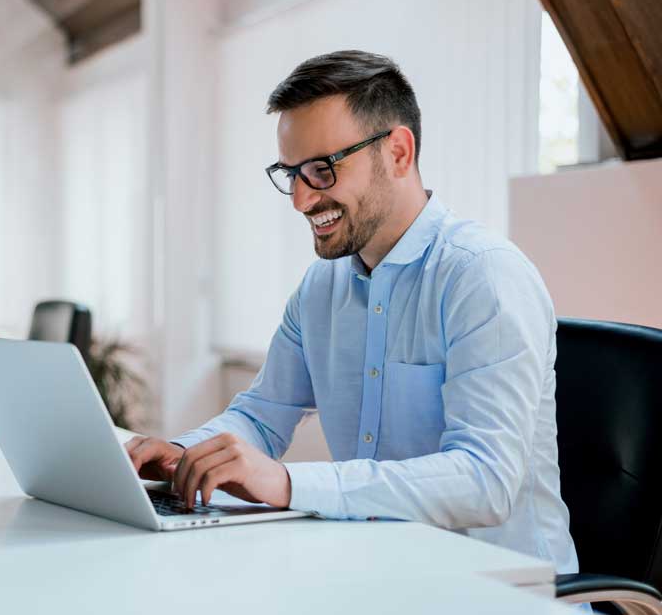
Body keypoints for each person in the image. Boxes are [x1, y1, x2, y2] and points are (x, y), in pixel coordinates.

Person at [126, 50, 579, 574]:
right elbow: (261, 416)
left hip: (500, 594)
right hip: (377, 576)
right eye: (290, 173)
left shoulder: (484, 277)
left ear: (399, 154)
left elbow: (485, 481)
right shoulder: (323, 286)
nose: (300, 200)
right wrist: (181, 454)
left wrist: (288, 483)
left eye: (321, 170)